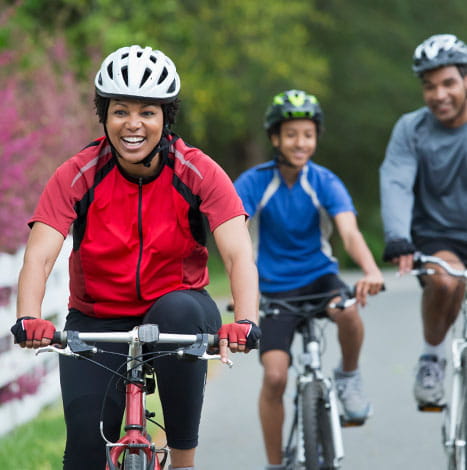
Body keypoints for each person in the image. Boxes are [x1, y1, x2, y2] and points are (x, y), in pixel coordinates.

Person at [10, 45, 261, 470]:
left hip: (179, 309)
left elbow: (237, 254)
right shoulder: (77, 173)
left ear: (166, 118)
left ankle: (183, 461)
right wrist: (29, 317)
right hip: (97, 319)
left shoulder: (197, 171)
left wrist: (246, 320)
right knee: (85, 454)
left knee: (178, 312)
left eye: (147, 112)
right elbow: (39, 257)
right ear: (104, 115)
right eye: (120, 110)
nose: (133, 124)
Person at [234, 89, 384, 469]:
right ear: (275, 138)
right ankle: (274, 464)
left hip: (320, 279)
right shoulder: (253, 183)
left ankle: (348, 375)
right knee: (274, 377)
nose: (300, 142)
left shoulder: (325, 181)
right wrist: (243, 294)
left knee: (349, 311)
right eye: (291, 134)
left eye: (308, 134)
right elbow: (233, 234)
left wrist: (370, 269)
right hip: (274, 290)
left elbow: (349, 233)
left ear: (316, 138)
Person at [380, 33, 467, 409]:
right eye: (429, 86)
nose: (439, 95)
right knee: (446, 282)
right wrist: (398, 236)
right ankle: (432, 357)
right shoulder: (411, 129)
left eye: (448, 83)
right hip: (436, 237)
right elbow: (397, 181)